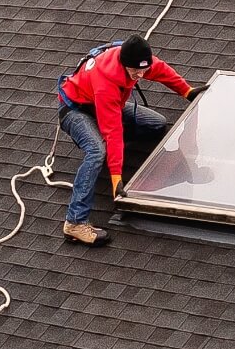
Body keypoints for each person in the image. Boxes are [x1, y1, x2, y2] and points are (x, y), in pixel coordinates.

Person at [57, 34, 205, 245]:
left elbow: (161, 70)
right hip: (78, 111)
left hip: (109, 105)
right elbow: (113, 130)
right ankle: (74, 223)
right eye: (136, 71)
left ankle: (109, 149)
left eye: (144, 69)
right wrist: (117, 179)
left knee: (156, 124)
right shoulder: (105, 82)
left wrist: (187, 91)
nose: (141, 75)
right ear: (124, 64)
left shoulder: (138, 61)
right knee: (97, 151)